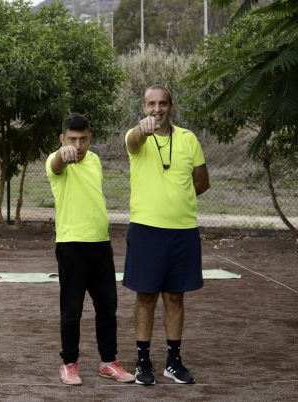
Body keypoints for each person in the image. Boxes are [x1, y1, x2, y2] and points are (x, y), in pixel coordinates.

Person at [123, 85, 210, 386]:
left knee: (175, 296)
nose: (157, 109)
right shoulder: (136, 137)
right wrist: (142, 129)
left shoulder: (188, 139)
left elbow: (201, 182)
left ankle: (173, 362)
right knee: (145, 296)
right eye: (151, 104)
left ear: (171, 107)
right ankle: (142, 361)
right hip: (146, 230)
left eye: (162, 104)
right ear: (143, 107)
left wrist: (177, 199)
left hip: (183, 231)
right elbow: (133, 141)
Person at [45, 113, 136, 386]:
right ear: (62, 139)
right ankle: (69, 364)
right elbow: (58, 163)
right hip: (71, 245)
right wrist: (62, 154)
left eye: (83, 139)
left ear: (90, 138)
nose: (78, 145)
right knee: (71, 309)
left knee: (107, 307)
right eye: (72, 139)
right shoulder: (55, 161)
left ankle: (108, 362)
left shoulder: (94, 160)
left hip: (100, 244)